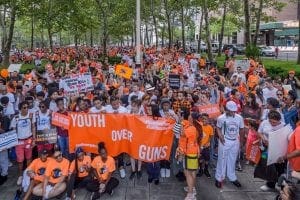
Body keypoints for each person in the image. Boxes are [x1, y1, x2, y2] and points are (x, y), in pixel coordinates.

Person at [215, 101, 244, 188]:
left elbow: (242, 129)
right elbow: (218, 128)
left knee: (232, 159)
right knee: (222, 160)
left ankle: (232, 177)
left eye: (234, 111)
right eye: (231, 111)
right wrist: (220, 136)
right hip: (225, 141)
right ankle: (219, 178)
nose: (233, 112)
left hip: (235, 141)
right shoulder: (221, 118)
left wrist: (241, 142)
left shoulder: (239, 118)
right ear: (227, 110)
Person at [256, 110, 286, 191]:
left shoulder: (283, 126)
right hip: (265, 148)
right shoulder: (265, 123)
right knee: (268, 166)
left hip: (278, 150)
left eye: (275, 122)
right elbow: (259, 132)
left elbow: (284, 140)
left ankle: (282, 186)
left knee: (279, 167)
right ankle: (270, 184)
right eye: (271, 122)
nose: (273, 124)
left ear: (279, 121)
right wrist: (263, 139)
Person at [10, 101, 36, 185]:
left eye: (27, 107)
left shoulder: (31, 115)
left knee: (29, 158)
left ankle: (27, 174)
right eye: (24, 107)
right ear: (20, 109)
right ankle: (21, 175)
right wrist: (13, 141)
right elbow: (13, 130)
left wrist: (34, 139)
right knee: (20, 160)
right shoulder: (16, 118)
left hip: (29, 140)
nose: (26, 109)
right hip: (19, 141)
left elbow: (33, 127)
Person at [177, 109, 201, 200]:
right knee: (192, 172)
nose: (189, 116)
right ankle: (192, 188)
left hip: (189, 153)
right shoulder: (193, 127)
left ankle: (190, 194)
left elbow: (182, 134)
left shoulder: (191, 128)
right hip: (192, 152)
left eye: (191, 115)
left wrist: (181, 122)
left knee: (188, 173)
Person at [197, 113, 213, 178]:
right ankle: (201, 170)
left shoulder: (210, 127)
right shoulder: (199, 126)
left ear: (208, 120)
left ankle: (206, 170)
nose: (204, 120)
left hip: (206, 147)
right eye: (202, 119)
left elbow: (211, 136)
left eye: (205, 119)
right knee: (200, 158)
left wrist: (208, 142)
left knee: (206, 159)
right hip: (199, 146)